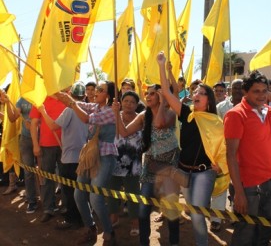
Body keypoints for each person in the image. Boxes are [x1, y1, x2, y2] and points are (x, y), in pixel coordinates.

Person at [157, 51, 227, 246]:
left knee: (196, 214)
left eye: (202, 93)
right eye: (196, 92)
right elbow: (167, 91)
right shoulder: (186, 113)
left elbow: (224, 147)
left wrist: (220, 165)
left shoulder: (216, 122)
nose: (196, 94)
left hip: (204, 174)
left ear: (209, 101)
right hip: (183, 171)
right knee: (193, 211)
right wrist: (161, 66)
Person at [224, 70, 271, 246]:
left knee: (266, 228)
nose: (261, 95)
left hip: (267, 181)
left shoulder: (266, 111)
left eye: (265, 91)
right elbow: (231, 155)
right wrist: (239, 192)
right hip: (247, 185)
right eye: (256, 91)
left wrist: (269, 96)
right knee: (246, 232)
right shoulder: (236, 114)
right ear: (245, 92)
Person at [112, 83, 180, 246]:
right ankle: (144, 243)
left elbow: (158, 123)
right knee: (143, 212)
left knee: (171, 210)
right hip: (150, 166)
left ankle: (174, 243)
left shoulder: (170, 113)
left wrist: (164, 102)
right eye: (147, 94)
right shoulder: (143, 115)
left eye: (152, 93)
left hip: (169, 166)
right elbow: (124, 132)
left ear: (160, 96)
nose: (148, 96)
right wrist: (116, 114)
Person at [57, 80, 117, 245]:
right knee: (79, 195)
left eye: (100, 89)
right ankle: (90, 228)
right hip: (90, 155)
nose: (95, 91)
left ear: (109, 96)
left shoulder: (112, 111)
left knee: (95, 198)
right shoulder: (96, 106)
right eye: (96, 89)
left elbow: (85, 118)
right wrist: (58, 93)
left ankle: (109, 232)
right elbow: (79, 104)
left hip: (105, 157)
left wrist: (70, 103)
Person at [38, 81, 88, 230]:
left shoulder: (69, 110)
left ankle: (73, 220)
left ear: (70, 95)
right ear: (84, 95)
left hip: (70, 157)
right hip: (84, 156)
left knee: (70, 191)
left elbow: (53, 126)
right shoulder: (87, 110)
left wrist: (43, 111)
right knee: (82, 191)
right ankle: (84, 219)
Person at [210, 79, 243, 232]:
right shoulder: (220, 107)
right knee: (220, 188)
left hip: (243, 155)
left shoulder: (250, 107)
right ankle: (216, 219)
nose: (238, 91)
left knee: (238, 187)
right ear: (230, 90)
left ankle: (237, 216)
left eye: (241, 88)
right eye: (235, 88)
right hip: (223, 154)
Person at [108, 90, 142, 237]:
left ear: (137, 105)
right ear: (121, 102)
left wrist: (116, 115)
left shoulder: (141, 118)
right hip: (114, 160)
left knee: (133, 194)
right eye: (126, 101)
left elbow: (124, 132)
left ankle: (135, 223)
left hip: (133, 163)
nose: (129, 104)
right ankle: (113, 218)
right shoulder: (113, 115)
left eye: (132, 102)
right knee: (112, 192)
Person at [30, 95, 66, 223]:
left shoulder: (66, 98)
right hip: (46, 146)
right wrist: (35, 144)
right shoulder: (40, 100)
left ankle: (67, 207)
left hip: (66, 146)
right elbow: (33, 124)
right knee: (46, 178)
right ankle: (48, 209)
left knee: (66, 178)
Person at [0, 92, 37, 212]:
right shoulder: (22, 99)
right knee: (28, 171)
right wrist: (7, 103)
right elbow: (12, 118)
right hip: (26, 139)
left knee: (44, 172)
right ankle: (32, 200)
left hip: (43, 139)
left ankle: (48, 204)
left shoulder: (42, 95)